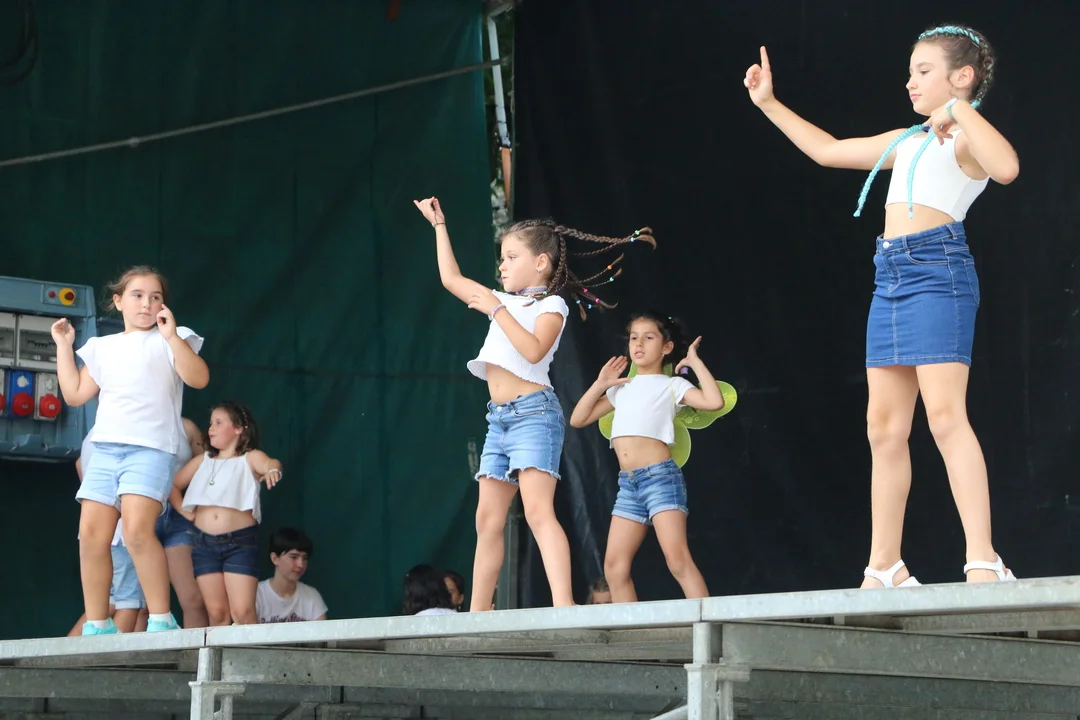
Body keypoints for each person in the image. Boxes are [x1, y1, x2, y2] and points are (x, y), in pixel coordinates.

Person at [743, 25, 1019, 587]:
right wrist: (768, 103)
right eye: (911, 71)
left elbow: (1007, 167)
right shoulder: (907, 139)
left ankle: (983, 558)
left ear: (962, 77)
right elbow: (828, 151)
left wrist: (959, 112)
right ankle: (885, 564)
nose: (910, 81)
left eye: (924, 71)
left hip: (937, 272)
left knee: (945, 417)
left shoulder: (964, 140)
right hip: (891, 277)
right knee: (883, 428)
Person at [414, 196, 654, 610]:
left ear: (541, 262)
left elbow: (534, 350)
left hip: (534, 414)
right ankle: (478, 612)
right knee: (487, 519)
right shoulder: (501, 300)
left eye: (511, 257)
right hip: (498, 419)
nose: (502, 266)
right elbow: (451, 279)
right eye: (501, 258)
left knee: (538, 511)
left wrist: (497, 311)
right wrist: (439, 225)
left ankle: (564, 606)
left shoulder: (550, 304)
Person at [53, 265, 209, 635]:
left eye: (156, 297)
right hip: (105, 450)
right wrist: (63, 347)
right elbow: (74, 394)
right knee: (92, 536)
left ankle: (161, 619)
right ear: (118, 301)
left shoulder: (174, 337)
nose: (147, 303)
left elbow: (199, 378)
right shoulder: (102, 347)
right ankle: (97, 624)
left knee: (138, 531)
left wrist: (171, 337)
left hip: (151, 450)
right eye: (137, 295)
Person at [570, 313, 724, 602]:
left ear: (666, 347)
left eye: (648, 337)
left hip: (660, 478)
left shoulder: (672, 385)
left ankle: (707, 624)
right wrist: (601, 384)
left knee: (677, 560)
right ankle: (631, 629)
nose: (638, 343)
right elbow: (578, 419)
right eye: (633, 337)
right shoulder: (621, 387)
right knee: (614, 568)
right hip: (628, 484)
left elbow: (714, 402)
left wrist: (694, 362)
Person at [173, 401, 282, 625]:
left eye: (218, 423)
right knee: (217, 614)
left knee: (242, 612)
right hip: (204, 543)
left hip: (239, 542)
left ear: (239, 428)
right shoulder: (202, 460)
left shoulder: (250, 457)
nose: (211, 428)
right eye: (211, 423)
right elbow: (173, 485)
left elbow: (271, 463)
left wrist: (273, 470)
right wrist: (186, 513)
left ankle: (252, 650)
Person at [67, 431, 148, 635]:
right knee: (129, 603)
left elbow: (79, 464)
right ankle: (110, 655)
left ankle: (65, 651)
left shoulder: (92, 435)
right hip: (120, 533)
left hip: (96, 533)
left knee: (105, 607)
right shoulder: (124, 431)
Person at [157, 417, 209, 628]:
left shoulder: (187, 427)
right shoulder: (128, 418)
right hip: (142, 513)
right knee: (138, 605)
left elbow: (207, 469)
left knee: (193, 599)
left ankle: (195, 650)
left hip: (179, 515)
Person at [256, 527, 328, 623]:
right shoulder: (257, 595)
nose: (301, 564)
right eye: (294, 557)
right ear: (275, 558)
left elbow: (322, 631)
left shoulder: (311, 596)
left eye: (305, 558)